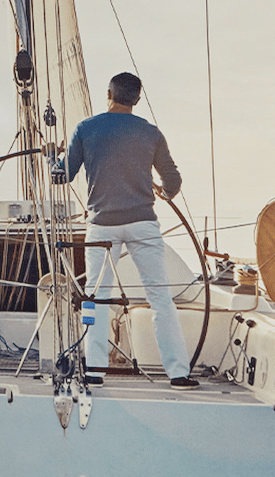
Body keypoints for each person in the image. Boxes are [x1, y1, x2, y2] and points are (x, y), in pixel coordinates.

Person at [63, 73, 197, 389]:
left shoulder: (86, 129)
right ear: (137, 99)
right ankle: (178, 372)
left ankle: (94, 370)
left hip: (101, 226)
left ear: (108, 93)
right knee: (160, 298)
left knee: (95, 298)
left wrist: (54, 160)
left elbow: (64, 175)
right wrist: (162, 190)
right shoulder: (151, 133)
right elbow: (173, 182)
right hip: (142, 224)